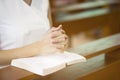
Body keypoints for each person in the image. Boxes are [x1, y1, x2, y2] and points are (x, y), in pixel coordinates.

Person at [0, 0, 68, 67]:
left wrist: (58, 41)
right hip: (14, 74)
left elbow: (49, 35)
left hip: (45, 69)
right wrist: (38, 48)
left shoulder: (44, 1)